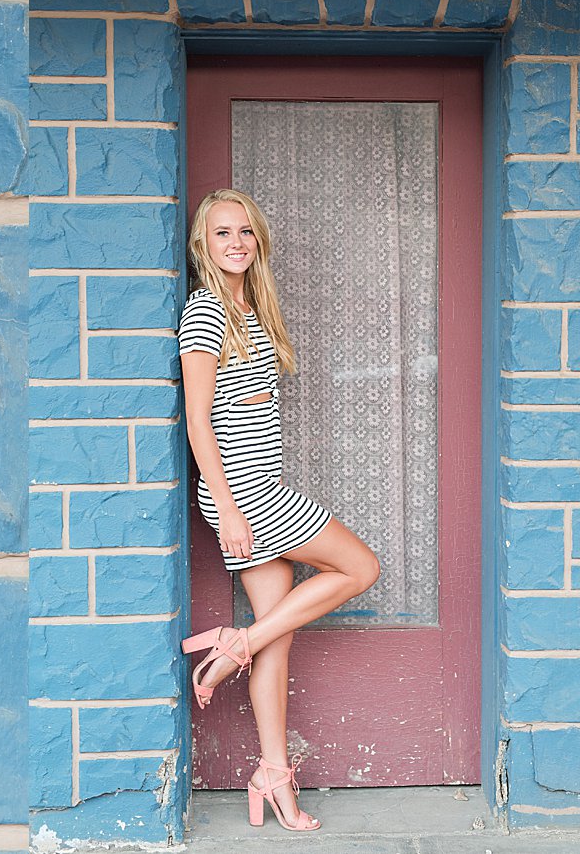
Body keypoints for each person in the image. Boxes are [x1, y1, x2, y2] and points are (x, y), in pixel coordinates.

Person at [177, 188, 382, 834]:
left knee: (279, 633)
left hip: (257, 485)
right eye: (221, 234)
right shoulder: (207, 312)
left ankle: (272, 774)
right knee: (360, 568)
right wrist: (230, 510)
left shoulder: (247, 304)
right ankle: (234, 647)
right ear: (202, 247)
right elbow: (198, 421)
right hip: (248, 495)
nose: (236, 242)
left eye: (244, 231)